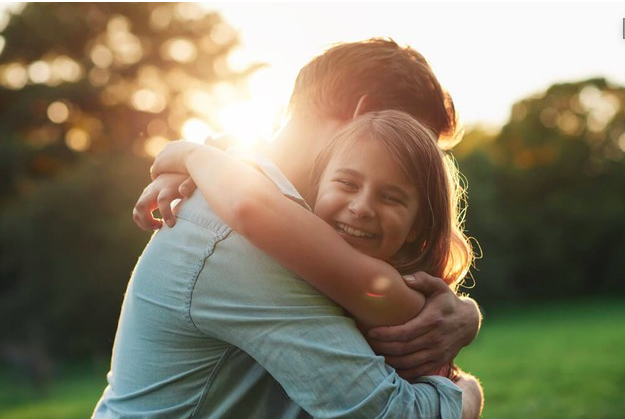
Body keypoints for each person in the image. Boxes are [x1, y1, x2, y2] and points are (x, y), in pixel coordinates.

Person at [94, 38, 483, 419]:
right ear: (365, 115)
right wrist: (468, 393)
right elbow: (391, 412)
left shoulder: (304, 220)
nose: (415, 167)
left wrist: (464, 314)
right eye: (408, 140)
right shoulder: (243, 235)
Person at [149, 109, 472, 379]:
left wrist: (191, 155)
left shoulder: (389, 290)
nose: (361, 207)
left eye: (390, 197)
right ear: (317, 187)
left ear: (417, 227)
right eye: (346, 183)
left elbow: (251, 207)